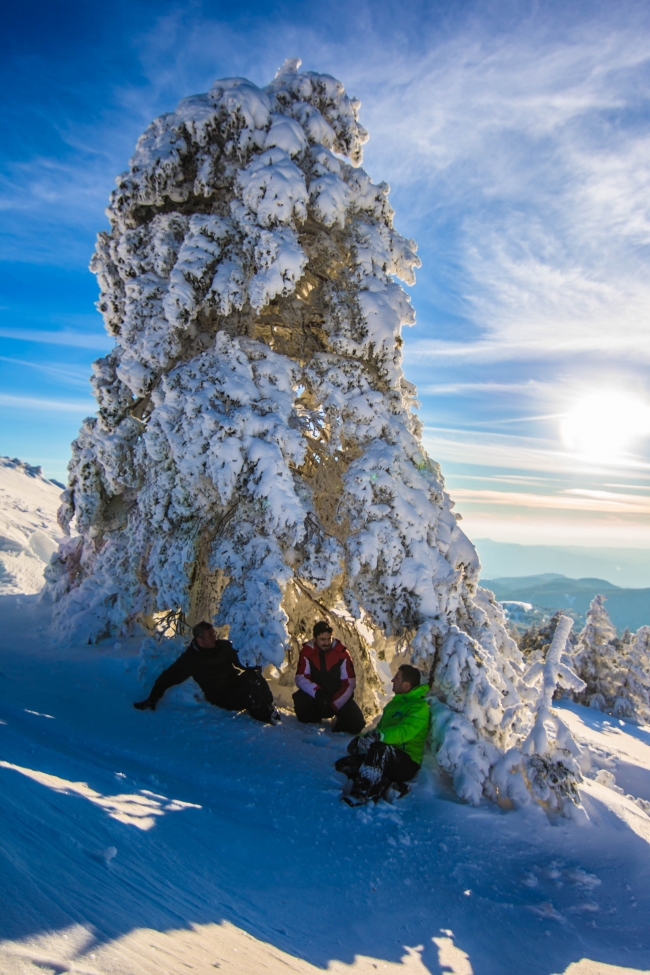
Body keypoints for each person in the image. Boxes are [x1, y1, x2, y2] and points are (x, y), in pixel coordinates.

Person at [134, 621, 278, 723]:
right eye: (210, 635)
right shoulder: (191, 659)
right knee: (248, 691)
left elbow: (240, 662)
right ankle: (265, 718)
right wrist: (153, 697)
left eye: (213, 633)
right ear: (200, 640)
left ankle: (270, 707)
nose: (214, 637)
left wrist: (253, 666)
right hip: (221, 697)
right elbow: (169, 676)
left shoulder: (222, 646)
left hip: (234, 683)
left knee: (252, 675)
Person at [335, 663, 430, 805]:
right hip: (384, 756)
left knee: (379, 749)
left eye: (397, 678)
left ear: (406, 685)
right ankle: (389, 784)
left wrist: (379, 736)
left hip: (406, 761)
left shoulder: (419, 707)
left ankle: (362, 793)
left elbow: (404, 732)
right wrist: (361, 740)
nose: (392, 681)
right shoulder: (393, 704)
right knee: (344, 765)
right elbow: (379, 728)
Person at [293, 621, 366, 735]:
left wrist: (334, 705)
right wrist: (317, 693)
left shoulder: (342, 653)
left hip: (337, 696)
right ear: (315, 638)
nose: (326, 643)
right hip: (317, 695)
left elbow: (349, 683)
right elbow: (301, 677)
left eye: (329, 639)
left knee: (357, 724)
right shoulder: (308, 652)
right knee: (302, 709)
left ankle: (337, 722)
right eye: (322, 639)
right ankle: (315, 722)